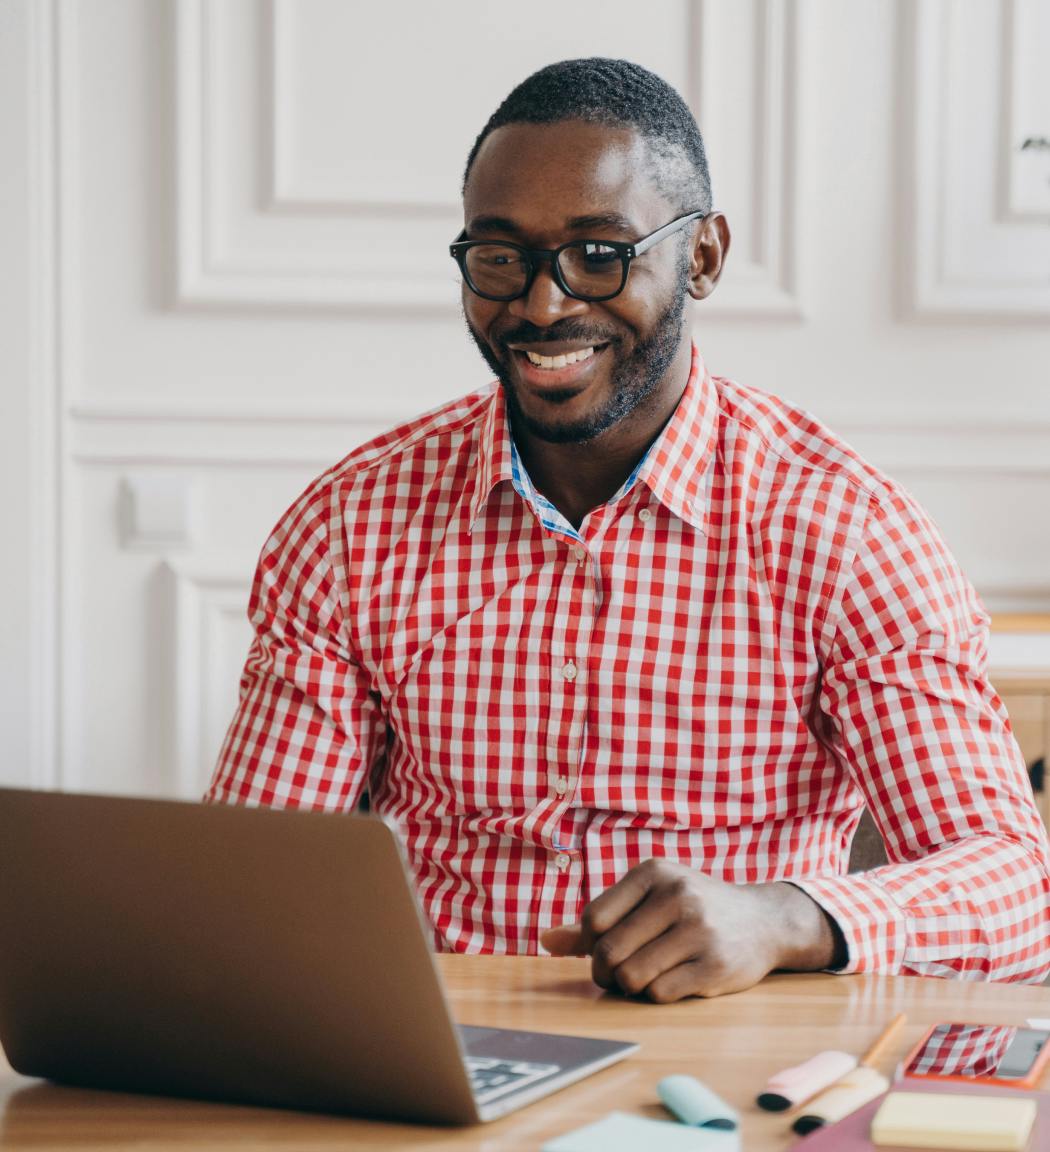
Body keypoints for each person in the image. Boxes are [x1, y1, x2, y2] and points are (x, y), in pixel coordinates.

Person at [207, 58, 1050, 1001]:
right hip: (441, 1060)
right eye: (499, 257)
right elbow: (249, 891)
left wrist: (786, 917)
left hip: (733, 1065)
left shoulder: (846, 532)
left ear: (703, 257)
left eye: (598, 254)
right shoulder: (348, 529)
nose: (541, 304)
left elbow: (1018, 887)